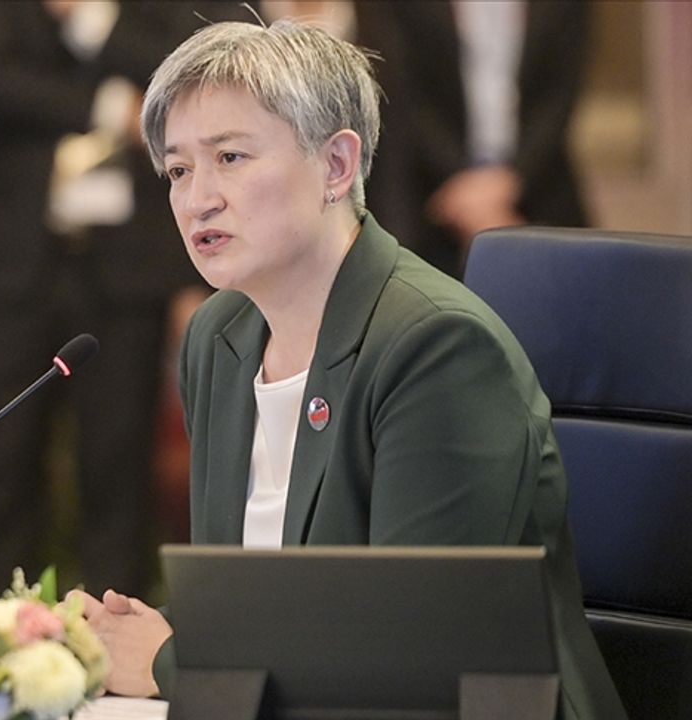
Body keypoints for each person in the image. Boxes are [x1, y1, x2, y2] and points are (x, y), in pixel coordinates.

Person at [70, 20, 626, 719]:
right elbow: (248, 603)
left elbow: (410, 651)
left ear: (336, 165)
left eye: (231, 157)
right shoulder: (218, 338)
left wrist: (169, 661)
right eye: (179, 170)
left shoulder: (437, 348)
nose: (197, 198)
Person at [0, 1, 205, 600]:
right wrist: (103, 107)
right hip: (20, 263)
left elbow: (185, 75)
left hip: (125, 269)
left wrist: (93, 22)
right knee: (0, 460)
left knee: (117, 466)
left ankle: (115, 629)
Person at [355, 2, 592, 277]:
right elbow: (400, 92)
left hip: (538, 190)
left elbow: (559, 97)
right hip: (425, 199)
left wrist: (506, 183)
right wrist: (469, 195)